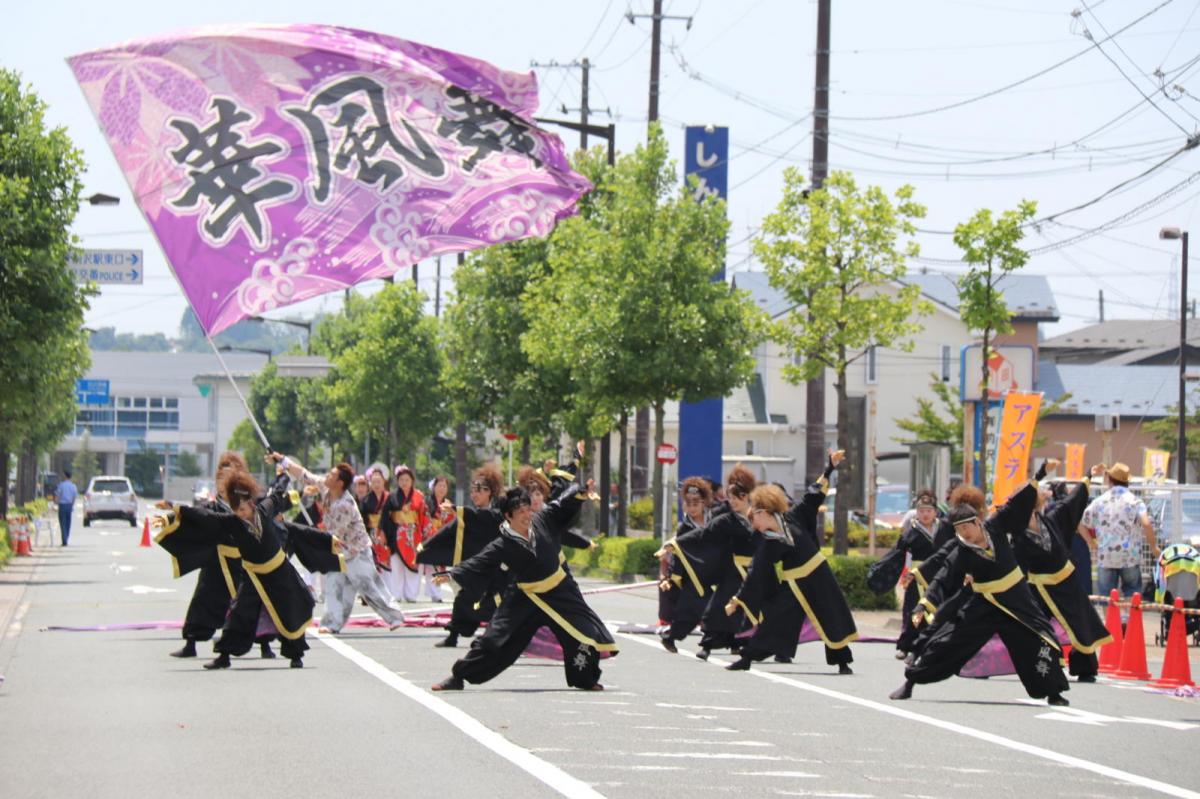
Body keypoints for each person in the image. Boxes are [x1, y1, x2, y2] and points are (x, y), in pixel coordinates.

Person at [890, 481, 1070, 706]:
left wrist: (1037, 477)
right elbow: (943, 577)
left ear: (978, 522)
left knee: (1041, 640)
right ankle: (911, 683)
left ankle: (1054, 692)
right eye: (958, 529)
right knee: (946, 643)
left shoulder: (996, 526)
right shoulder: (962, 551)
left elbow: (1015, 505)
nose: (964, 533)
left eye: (967, 527)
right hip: (983, 604)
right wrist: (924, 604)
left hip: (1016, 599)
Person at [429, 482, 615, 691]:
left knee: (584, 634)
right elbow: (479, 562)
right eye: (520, 512)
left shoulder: (542, 519)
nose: (527, 515)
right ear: (508, 516)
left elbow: (561, 504)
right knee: (494, 639)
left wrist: (578, 492)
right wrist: (451, 573)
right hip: (525, 596)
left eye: (528, 510)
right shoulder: (503, 543)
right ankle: (458, 676)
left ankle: (586, 679)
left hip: (560, 590)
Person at [155, 468, 344, 669]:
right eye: (237, 511)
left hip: (280, 572)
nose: (241, 515)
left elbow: (279, 497)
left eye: (243, 510)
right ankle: (224, 657)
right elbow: (203, 516)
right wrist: (172, 515)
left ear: (252, 504)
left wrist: (328, 538)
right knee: (238, 613)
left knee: (291, 610)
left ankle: (295, 655)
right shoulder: (232, 522)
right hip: (253, 575)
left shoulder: (265, 509)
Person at [724, 452, 858, 674]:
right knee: (776, 617)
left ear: (763, 511)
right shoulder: (767, 541)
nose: (753, 524)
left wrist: (829, 468)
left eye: (753, 517)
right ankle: (747, 658)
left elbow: (813, 496)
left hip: (818, 574)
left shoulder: (795, 516)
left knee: (830, 615)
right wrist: (739, 598)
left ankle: (843, 663)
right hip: (794, 584)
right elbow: (756, 572)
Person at [274, 453, 405, 634]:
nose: (327, 476)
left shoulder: (344, 504)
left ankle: (395, 617)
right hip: (339, 551)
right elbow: (305, 475)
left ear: (340, 483)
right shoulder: (326, 488)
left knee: (369, 587)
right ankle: (331, 624)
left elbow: (335, 534)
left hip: (356, 551)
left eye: (331, 475)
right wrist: (283, 460)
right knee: (335, 587)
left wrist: (309, 538)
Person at [159, 451, 271, 660]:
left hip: (245, 561)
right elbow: (198, 517)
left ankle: (265, 644)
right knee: (204, 599)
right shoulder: (213, 505)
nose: (223, 482)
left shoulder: (249, 502)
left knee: (252, 602)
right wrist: (171, 517)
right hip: (217, 559)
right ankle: (191, 643)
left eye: (228, 477)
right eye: (220, 478)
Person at [1014, 461, 1112, 683]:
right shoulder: (1017, 533)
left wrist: (1088, 475)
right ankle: (1043, 666)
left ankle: (1085, 668)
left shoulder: (1054, 518)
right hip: (1036, 585)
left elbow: (1072, 502)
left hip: (1065, 581)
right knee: (1033, 626)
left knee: (1079, 622)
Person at [659, 465, 758, 660]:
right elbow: (703, 534)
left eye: (737, 497)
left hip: (751, 570)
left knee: (751, 607)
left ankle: (740, 643)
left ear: (746, 496)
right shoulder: (724, 518)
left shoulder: (758, 515)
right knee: (713, 608)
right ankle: (705, 644)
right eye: (730, 497)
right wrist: (672, 546)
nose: (732, 501)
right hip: (722, 571)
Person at [418, 465, 506, 648]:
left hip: (496, 570)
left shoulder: (497, 513)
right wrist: (424, 546)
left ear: (491, 492)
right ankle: (453, 637)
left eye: (480, 490)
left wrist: (458, 509)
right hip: (475, 568)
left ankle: (491, 638)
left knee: (493, 605)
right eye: (473, 490)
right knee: (463, 601)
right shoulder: (469, 515)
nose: (475, 494)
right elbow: (448, 530)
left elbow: (483, 516)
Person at [1079, 462, 1159, 600]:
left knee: (1106, 597)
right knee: (1132, 592)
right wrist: (1154, 547)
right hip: (1130, 556)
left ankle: (1111, 622)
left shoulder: (1099, 501)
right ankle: (1128, 620)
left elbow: (1080, 523)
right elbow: (1146, 523)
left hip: (1106, 556)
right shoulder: (1135, 501)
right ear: (1127, 482)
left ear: (1109, 479)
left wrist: (1091, 543)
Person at [891, 490, 943, 659]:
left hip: (938, 576)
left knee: (937, 610)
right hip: (916, 576)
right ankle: (907, 646)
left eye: (928, 510)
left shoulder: (943, 530)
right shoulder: (911, 532)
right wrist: (904, 574)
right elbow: (900, 555)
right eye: (921, 511)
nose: (925, 514)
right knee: (914, 612)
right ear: (916, 512)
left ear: (935, 512)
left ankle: (933, 645)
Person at [380, 465, 430, 602]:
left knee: (413, 566)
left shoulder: (419, 496)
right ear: (398, 481)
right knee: (396, 566)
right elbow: (385, 516)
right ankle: (396, 594)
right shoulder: (392, 496)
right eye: (401, 479)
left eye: (407, 480)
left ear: (412, 481)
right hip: (396, 535)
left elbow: (424, 516)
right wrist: (383, 532)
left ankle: (411, 595)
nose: (404, 482)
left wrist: (426, 534)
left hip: (414, 537)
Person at [53, 470, 77, 546]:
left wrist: (55, 503)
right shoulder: (73, 486)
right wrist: (72, 505)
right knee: (68, 523)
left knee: (62, 523)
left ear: (65, 476)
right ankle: (66, 537)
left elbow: (57, 496)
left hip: (62, 505)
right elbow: (74, 497)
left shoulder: (61, 485)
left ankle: (64, 540)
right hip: (69, 505)